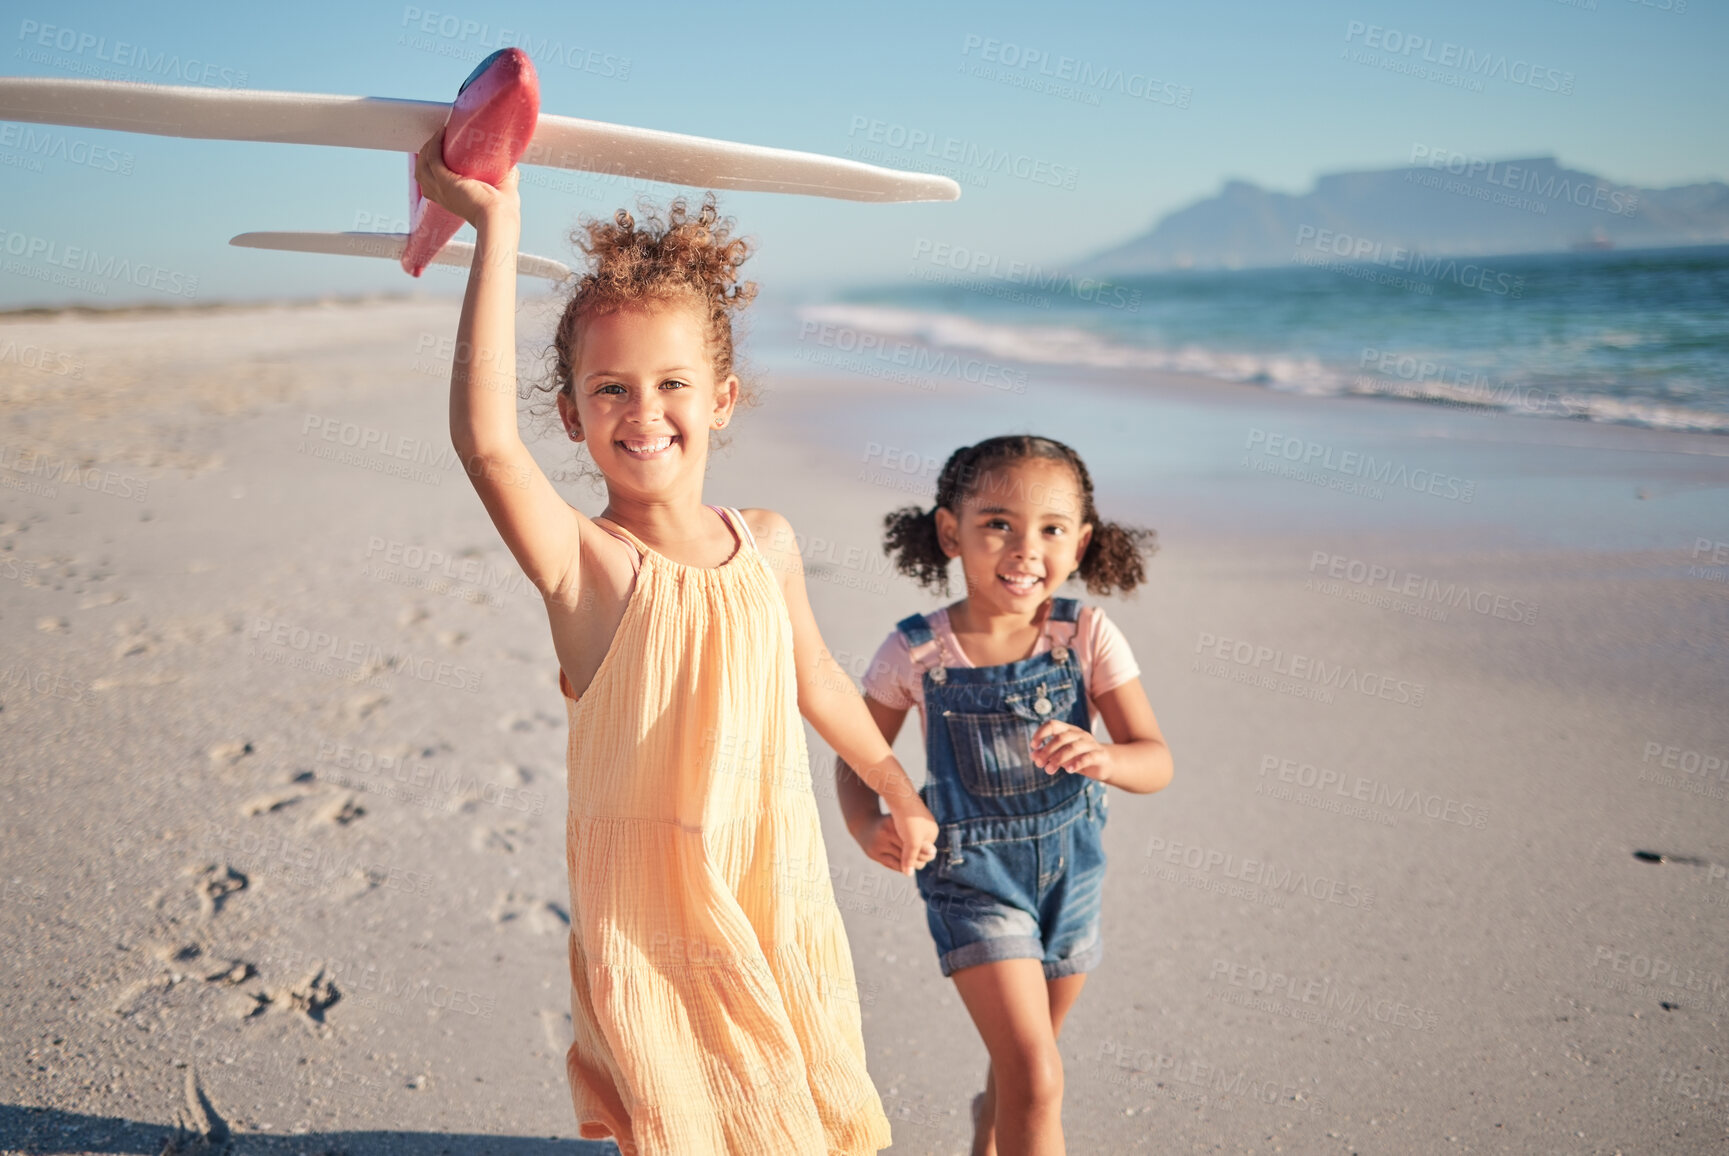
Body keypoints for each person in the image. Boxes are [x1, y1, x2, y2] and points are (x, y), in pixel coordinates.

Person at [411, 128, 938, 1156]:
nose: (642, 412)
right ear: (569, 415)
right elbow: (483, 443)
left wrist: (894, 784)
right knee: (682, 1124)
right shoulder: (589, 566)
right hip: (650, 923)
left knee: (799, 1106)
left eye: (670, 384)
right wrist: (494, 224)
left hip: (770, 889)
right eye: (609, 389)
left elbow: (819, 680)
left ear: (723, 400)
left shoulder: (768, 544)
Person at [837, 435, 1174, 1156]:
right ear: (950, 532)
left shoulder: (1083, 635)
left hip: (1072, 880)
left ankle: (988, 1130)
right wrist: (868, 823)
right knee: (1037, 1074)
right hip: (970, 881)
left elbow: (1155, 760)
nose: (1025, 548)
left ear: (1080, 543)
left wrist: (1106, 757)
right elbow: (859, 753)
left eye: (1050, 529)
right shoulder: (916, 652)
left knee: (1028, 1059)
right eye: (998, 524)